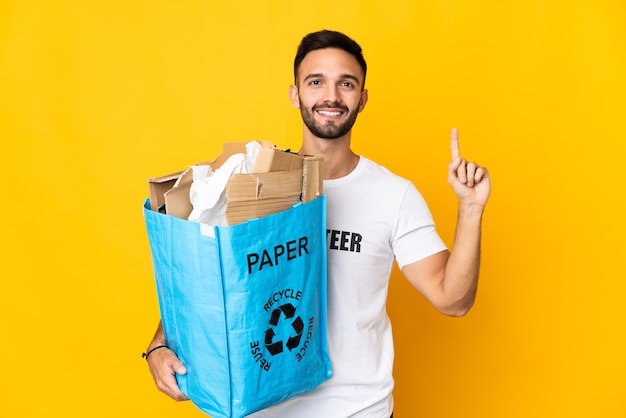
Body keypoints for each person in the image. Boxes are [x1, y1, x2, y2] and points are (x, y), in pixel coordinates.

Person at [144, 29, 491, 417]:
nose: (331, 96)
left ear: (362, 99)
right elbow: (208, 278)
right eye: (316, 82)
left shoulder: (394, 195)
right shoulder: (253, 186)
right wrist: (159, 344)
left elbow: (453, 299)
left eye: (346, 84)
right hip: (262, 408)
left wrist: (471, 208)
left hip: (359, 410)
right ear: (295, 94)